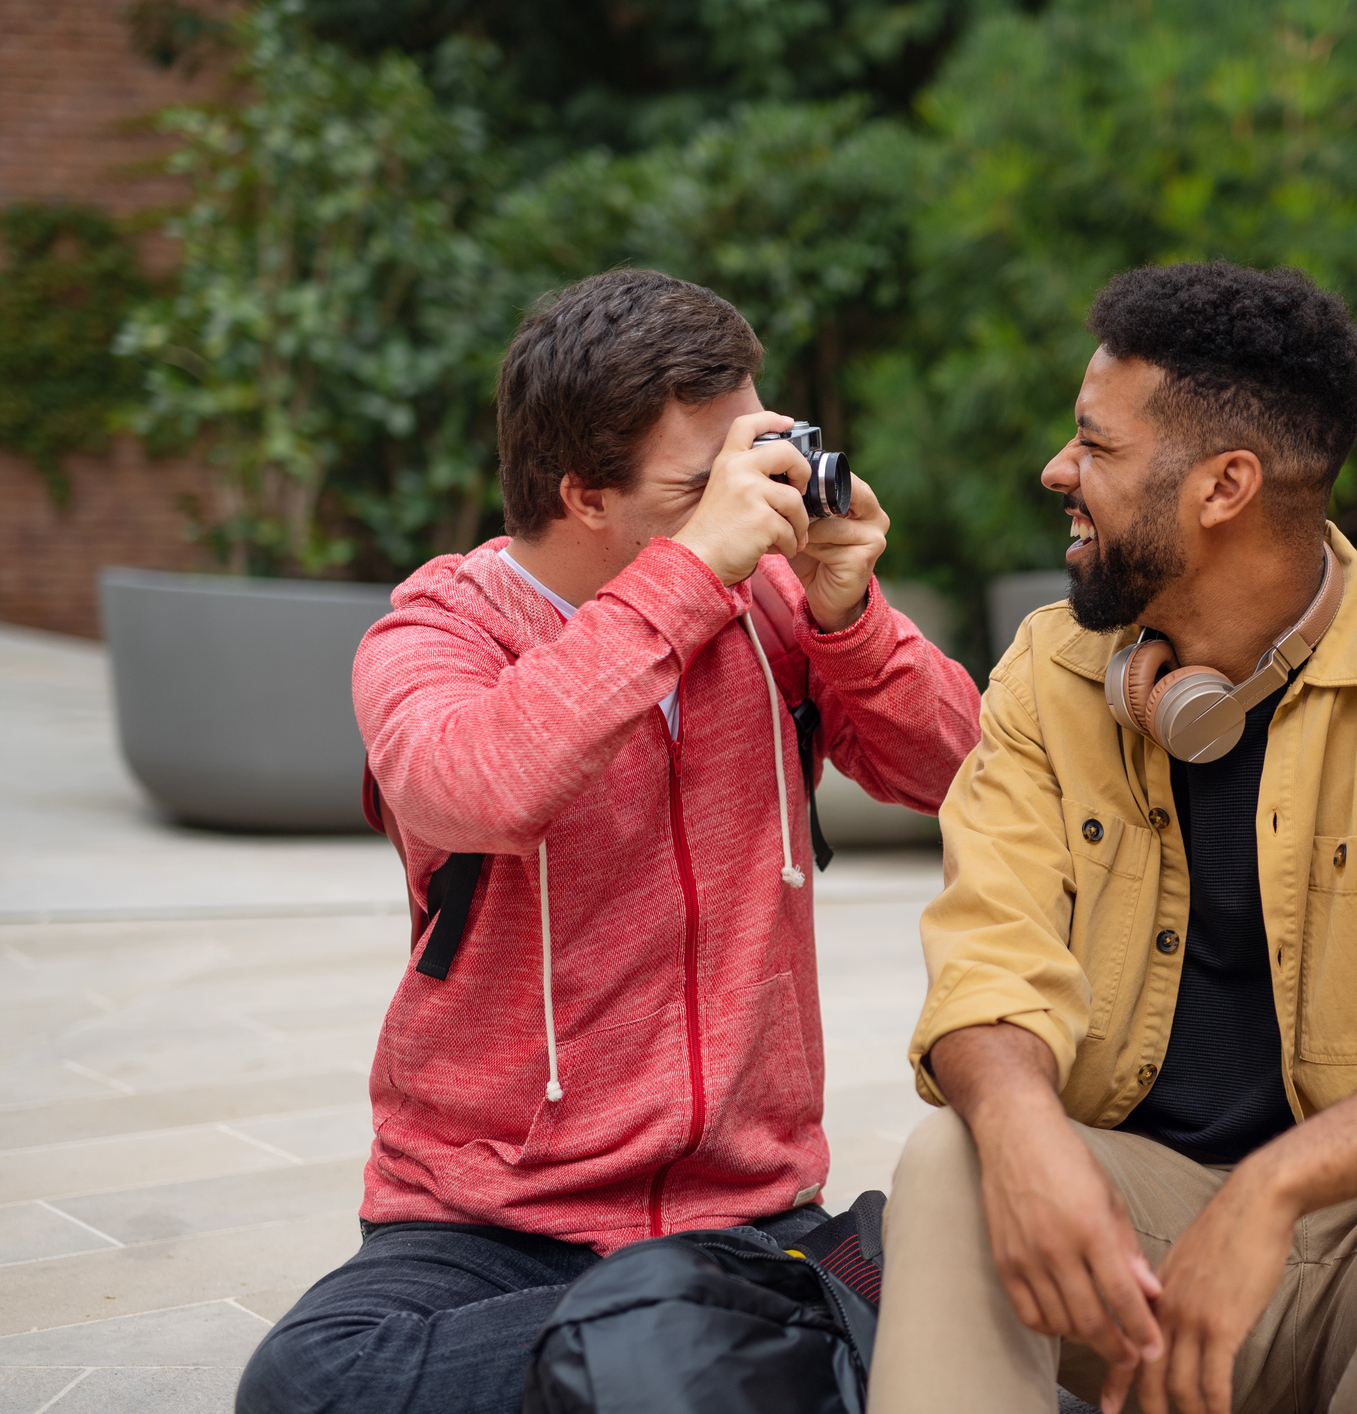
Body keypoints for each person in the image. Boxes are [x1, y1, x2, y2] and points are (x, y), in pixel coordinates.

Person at [869, 261, 1357, 1414]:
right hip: (1127, 1264)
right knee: (957, 1156)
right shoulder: (1050, 673)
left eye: (1095, 444)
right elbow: (989, 956)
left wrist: (1277, 1188)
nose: (1059, 470)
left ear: (1224, 485)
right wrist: (1025, 1130)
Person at [236, 268, 982, 1414]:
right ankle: (737, 1345)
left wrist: (847, 613)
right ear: (585, 496)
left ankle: (690, 1347)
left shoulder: (779, 604)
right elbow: (482, 780)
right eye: (708, 484)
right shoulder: (435, 632)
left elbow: (966, 772)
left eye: (762, 457)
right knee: (310, 1379)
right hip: (493, 1219)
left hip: (746, 1209)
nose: (757, 504)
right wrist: (687, 581)